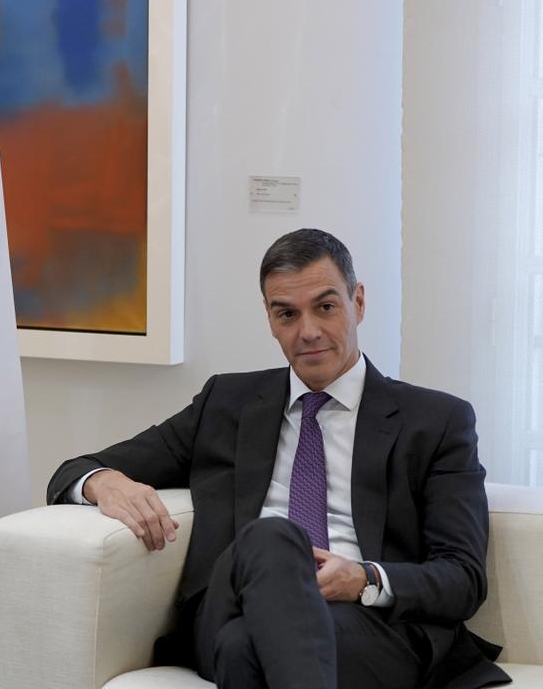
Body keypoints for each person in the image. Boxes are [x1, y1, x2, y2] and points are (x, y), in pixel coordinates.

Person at [47, 229, 509, 689]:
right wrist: (103, 481)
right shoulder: (226, 403)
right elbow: (75, 468)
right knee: (272, 538)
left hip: (365, 623)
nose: (307, 331)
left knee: (243, 648)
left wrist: (364, 578)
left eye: (326, 307)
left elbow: (463, 577)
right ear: (270, 319)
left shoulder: (435, 421)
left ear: (359, 303)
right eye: (286, 313)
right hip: (232, 601)